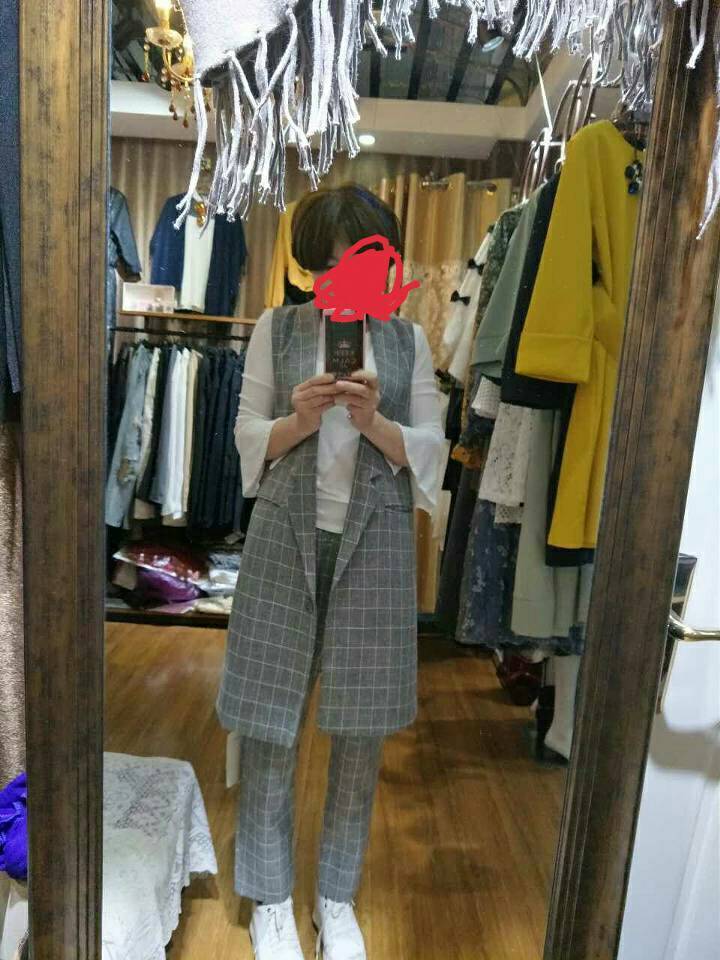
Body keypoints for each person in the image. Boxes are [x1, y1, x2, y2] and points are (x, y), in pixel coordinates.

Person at [218, 184, 445, 960]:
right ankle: (271, 897)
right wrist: (301, 418)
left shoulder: (408, 341)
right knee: (268, 726)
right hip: (284, 541)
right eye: (326, 267)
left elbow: (431, 451)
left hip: (375, 545)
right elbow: (247, 436)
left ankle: (337, 900)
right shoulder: (276, 329)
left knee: (360, 731)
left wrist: (374, 421)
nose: (339, 282)